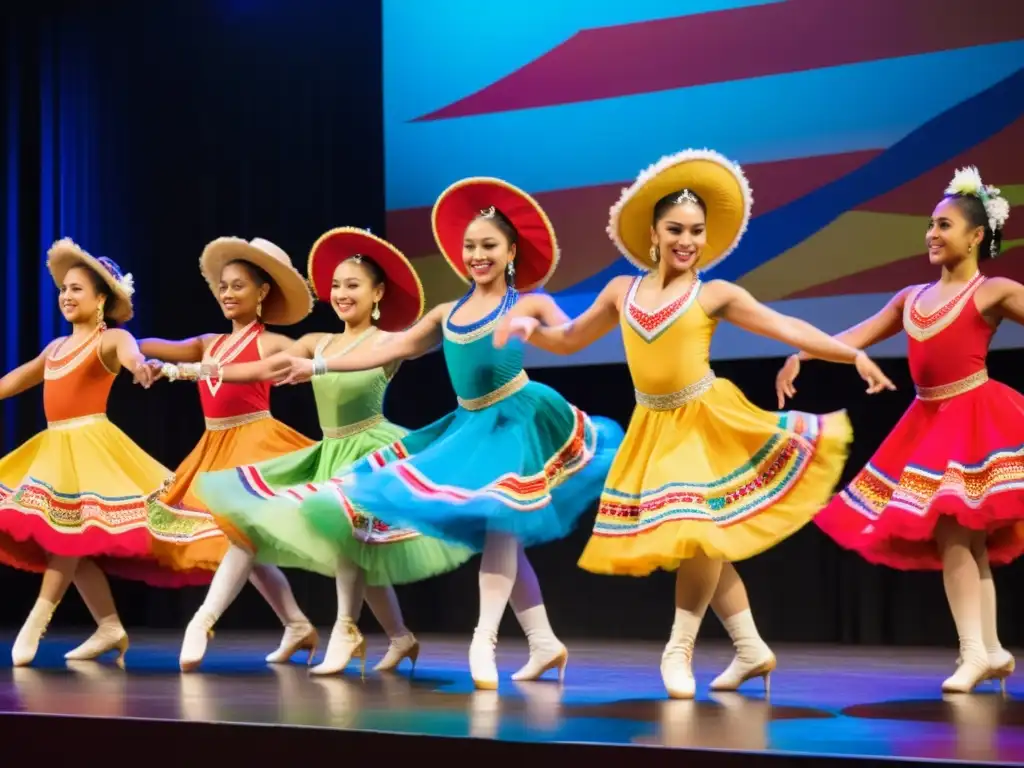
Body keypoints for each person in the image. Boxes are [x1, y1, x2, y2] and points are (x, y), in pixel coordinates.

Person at [494, 149, 894, 699]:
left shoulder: (714, 293)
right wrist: (529, 329)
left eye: (697, 231)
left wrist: (852, 356)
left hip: (704, 419)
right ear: (653, 235)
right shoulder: (621, 291)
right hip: (653, 426)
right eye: (676, 229)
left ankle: (679, 647)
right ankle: (751, 648)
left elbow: (788, 327)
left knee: (696, 532)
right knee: (699, 542)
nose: (687, 240)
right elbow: (571, 340)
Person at [270, 179, 624, 689]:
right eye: (469, 247)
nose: (477, 256)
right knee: (499, 535)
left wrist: (544, 328)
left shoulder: (527, 303)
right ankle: (545, 643)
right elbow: (389, 349)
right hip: (469, 426)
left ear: (510, 253)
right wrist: (320, 365)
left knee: (501, 527)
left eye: (488, 247)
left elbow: (571, 337)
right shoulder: (446, 312)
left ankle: (484, 639)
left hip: (517, 420)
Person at [180, 227, 471, 675]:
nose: (341, 293)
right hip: (328, 451)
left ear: (377, 293)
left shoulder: (387, 342)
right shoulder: (317, 340)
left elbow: (431, 337)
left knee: (350, 545)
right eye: (335, 285)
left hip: (371, 450)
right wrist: (191, 370)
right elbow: (261, 367)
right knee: (256, 520)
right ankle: (400, 638)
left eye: (352, 284)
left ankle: (346, 629)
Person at [775, 165, 1019, 694]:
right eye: (930, 225)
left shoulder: (991, 290)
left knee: (958, 532)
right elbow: (856, 336)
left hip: (975, 420)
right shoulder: (911, 298)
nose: (932, 234)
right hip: (929, 424)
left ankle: (975, 651)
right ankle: (992, 649)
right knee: (967, 542)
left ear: (977, 236)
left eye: (945, 225)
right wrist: (803, 352)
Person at [137, 236, 322, 671]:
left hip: (256, 445)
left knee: (242, 536)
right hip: (214, 446)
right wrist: (129, 352)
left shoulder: (273, 343)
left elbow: (302, 359)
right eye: (223, 286)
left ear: (262, 293)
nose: (228, 293)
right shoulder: (208, 342)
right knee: (246, 545)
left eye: (239, 286)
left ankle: (202, 621)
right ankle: (296, 623)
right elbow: (152, 345)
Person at [0, 238, 167, 667]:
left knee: (67, 535)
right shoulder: (54, 349)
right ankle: (109, 626)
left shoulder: (111, 339)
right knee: (72, 542)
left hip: (90, 447)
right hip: (54, 448)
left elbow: (132, 355)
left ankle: (37, 618)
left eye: (77, 289)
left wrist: (140, 366)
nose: (67, 296)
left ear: (100, 301)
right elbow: (16, 380)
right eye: (63, 289)